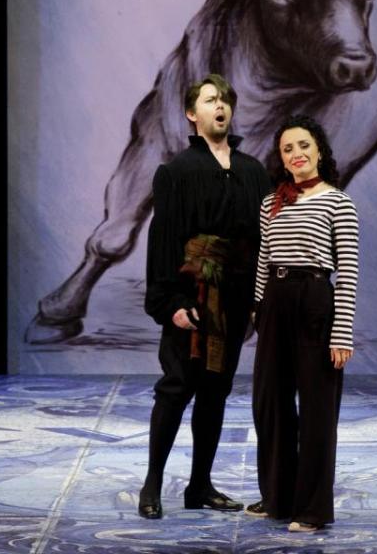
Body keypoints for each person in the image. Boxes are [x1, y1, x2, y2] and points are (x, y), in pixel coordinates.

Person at [138, 73, 269, 520]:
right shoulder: (176, 172)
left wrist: (256, 300)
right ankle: (152, 484)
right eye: (211, 99)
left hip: (233, 298)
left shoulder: (253, 171)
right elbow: (164, 241)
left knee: (216, 391)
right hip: (192, 296)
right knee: (176, 388)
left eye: (226, 100)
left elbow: (261, 241)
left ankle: (200, 484)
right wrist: (171, 303)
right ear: (192, 114)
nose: (221, 106)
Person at [250, 114, 359, 533]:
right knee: (271, 404)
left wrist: (342, 330)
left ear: (319, 150)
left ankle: (312, 509)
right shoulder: (270, 203)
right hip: (275, 304)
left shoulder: (339, 202)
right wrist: (258, 311)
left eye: (303, 145)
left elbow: (347, 272)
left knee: (316, 410)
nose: (296, 154)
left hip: (315, 300)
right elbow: (264, 261)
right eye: (287, 149)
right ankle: (278, 497)